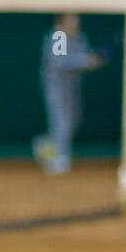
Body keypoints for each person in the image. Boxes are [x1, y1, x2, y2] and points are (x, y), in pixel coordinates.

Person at [33, 13, 108, 175]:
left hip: (72, 88)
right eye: (71, 20)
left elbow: (82, 57)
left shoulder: (80, 37)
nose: (75, 23)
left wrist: (94, 59)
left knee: (74, 122)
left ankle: (43, 144)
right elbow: (60, 62)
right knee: (61, 123)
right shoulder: (58, 36)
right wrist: (87, 61)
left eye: (76, 20)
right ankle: (59, 159)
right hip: (55, 87)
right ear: (61, 22)